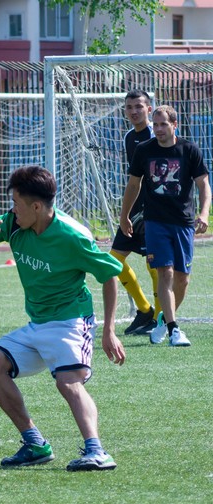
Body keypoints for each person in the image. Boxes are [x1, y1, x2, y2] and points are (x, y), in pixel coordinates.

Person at [0, 165, 125, 471]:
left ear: (36, 207)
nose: (12, 210)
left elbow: (110, 276)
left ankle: (97, 451)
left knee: (68, 383)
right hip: (37, 324)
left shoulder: (73, 236)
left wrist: (109, 331)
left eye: (16, 203)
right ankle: (35, 443)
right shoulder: (14, 224)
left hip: (71, 322)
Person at [120, 104, 211, 347]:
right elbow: (133, 185)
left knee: (183, 279)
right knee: (166, 272)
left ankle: (163, 320)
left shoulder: (188, 150)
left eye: (163, 124)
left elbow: (203, 184)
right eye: (156, 124)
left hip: (183, 222)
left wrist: (204, 213)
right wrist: (124, 215)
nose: (158, 129)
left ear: (174, 125)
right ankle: (173, 329)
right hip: (155, 221)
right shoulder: (144, 150)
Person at [112, 90, 160, 335]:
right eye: (129, 107)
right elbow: (134, 180)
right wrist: (126, 214)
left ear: (149, 109)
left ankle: (161, 320)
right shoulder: (129, 137)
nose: (134, 111)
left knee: (155, 266)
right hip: (133, 212)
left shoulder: (157, 135)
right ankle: (144, 310)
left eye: (139, 106)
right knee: (113, 261)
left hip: (155, 213)